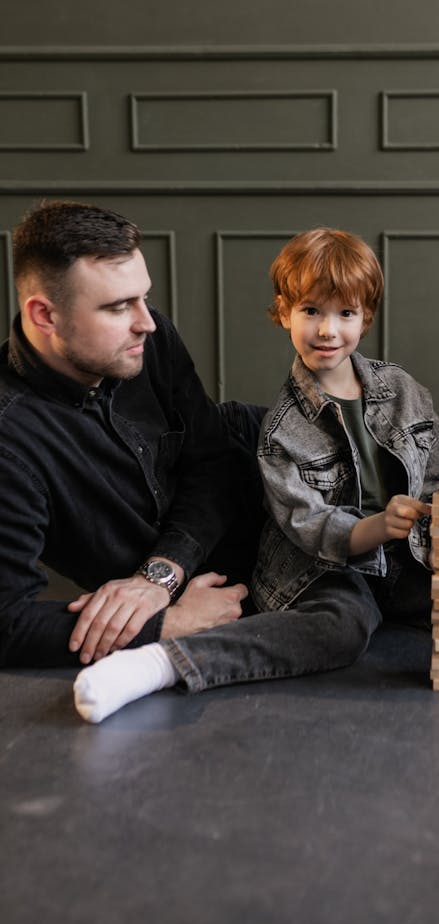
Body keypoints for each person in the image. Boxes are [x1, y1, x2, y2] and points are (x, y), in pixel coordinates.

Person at [74, 227, 439, 722]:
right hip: (325, 565)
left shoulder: (402, 389)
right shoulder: (281, 431)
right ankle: (162, 663)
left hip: (405, 554)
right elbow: (308, 526)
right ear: (283, 312)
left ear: (366, 317)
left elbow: (437, 467)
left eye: (346, 313)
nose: (328, 331)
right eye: (311, 311)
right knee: (339, 627)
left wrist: (438, 523)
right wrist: (379, 526)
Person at [0, 199, 263, 669]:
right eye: (119, 306)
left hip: (267, 460)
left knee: (423, 461)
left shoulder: (148, 335)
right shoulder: (9, 438)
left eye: (143, 297)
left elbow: (214, 461)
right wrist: (167, 625)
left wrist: (156, 579)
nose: (146, 321)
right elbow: (7, 623)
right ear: (44, 315)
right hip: (246, 573)